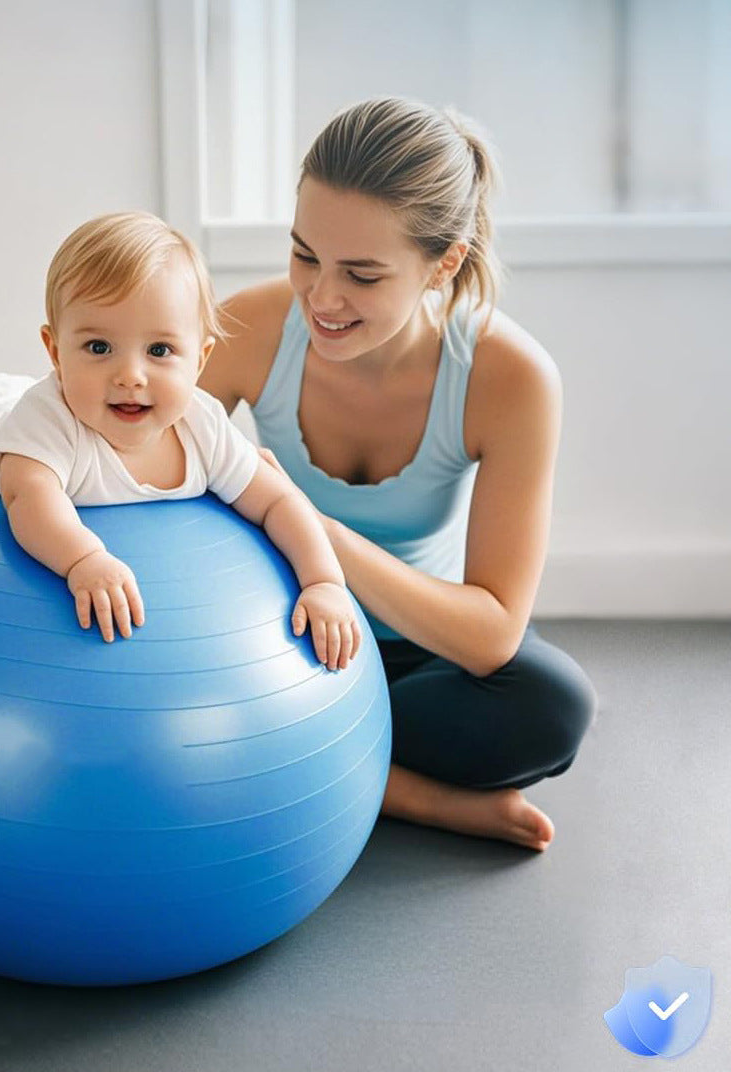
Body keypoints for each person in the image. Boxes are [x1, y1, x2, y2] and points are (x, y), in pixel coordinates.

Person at [199, 98, 597, 851]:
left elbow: (490, 634)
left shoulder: (509, 378)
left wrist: (312, 528)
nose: (321, 297)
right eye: (304, 254)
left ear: (443, 262)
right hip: (279, 635)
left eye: (363, 274)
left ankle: (310, 760)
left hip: (419, 657)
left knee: (552, 707)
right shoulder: (249, 329)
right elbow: (136, 458)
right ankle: (413, 796)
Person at [0, 212, 362, 670]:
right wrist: (84, 560)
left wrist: (323, 581)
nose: (130, 375)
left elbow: (277, 499)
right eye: (99, 347)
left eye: (159, 351)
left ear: (201, 359)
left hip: (6, 407)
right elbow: (28, 499)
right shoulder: (48, 420)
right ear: (55, 352)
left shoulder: (202, 426)